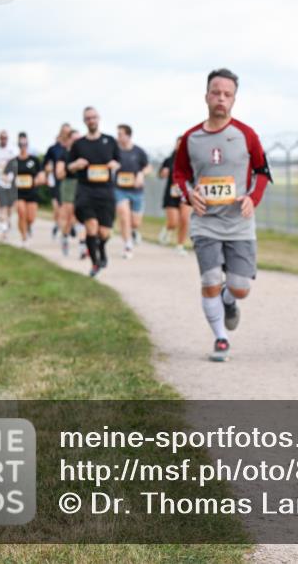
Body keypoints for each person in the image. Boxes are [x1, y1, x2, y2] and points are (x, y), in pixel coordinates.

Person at [173, 68, 272, 362]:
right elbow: (180, 175)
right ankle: (221, 338)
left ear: (234, 100)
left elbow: (262, 172)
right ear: (206, 96)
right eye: (216, 93)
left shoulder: (246, 135)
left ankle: (229, 301)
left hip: (239, 223)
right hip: (206, 223)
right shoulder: (191, 138)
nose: (221, 98)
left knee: (240, 288)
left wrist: (252, 198)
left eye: (227, 94)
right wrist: (189, 196)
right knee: (210, 281)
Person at [66, 106, 120, 277]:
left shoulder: (110, 141)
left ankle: (101, 247)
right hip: (86, 191)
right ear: (84, 121)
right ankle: (95, 263)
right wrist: (75, 165)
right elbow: (68, 167)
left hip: (105, 191)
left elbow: (119, 161)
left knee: (104, 232)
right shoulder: (78, 144)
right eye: (88, 118)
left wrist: (115, 165)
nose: (91, 120)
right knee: (91, 226)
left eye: (94, 117)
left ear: (99, 118)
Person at [114, 124, 151, 259]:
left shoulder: (139, 151)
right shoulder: (115, 151)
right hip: (119, 189)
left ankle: (134, 231)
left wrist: (141, 174)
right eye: (118, 134)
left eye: (120, 134)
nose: (118, 137)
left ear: (128, 135)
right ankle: (128, 245)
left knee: (135, 222)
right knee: (124, 216)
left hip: (136, 191)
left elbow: (148, 167)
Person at [158, 137, 190, 255]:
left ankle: (180, 245)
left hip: (186, 192)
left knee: (185, 219)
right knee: (173, 222)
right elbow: (160, 175)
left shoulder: (192, 160)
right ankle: (168, 229)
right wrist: (163, 173)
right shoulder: (169, 160)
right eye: (178, 144)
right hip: (171, 193)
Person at [13, 132, 45, 247]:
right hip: (18, 192)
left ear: (27, 144)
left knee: (30, 218)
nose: (23, 146)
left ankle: (28, 226)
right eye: (20, 144)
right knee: (21, 213)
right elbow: (7, 174)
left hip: (32, 192)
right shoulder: (14, 161)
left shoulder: (34, 160)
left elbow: (41, 174)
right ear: (18, 145)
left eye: (24, 144)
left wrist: (39, 179)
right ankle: (24, 238)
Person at [55, 128, 82, 257]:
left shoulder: (84, 153)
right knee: (69, 215)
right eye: (74, 139)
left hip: (83, 185)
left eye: (79, 139)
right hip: (69, 185)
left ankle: (83, 244)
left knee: (81, 215)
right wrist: (72, 167)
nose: (77, 142)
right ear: (69, 140)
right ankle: (65, 236)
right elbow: (59, 174)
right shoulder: (64, 155)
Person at [43, 124, 72, 240]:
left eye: (68, 132)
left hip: (71, 183)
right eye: (64, 132)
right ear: (61, 132)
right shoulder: (53, 149)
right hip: (56, 183)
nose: (66, 134)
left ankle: (67, 229)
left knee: (68, 209)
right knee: (58, 209)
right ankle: (58, 225)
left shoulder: (74, 148)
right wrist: (47, 171)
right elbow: (45, 164)